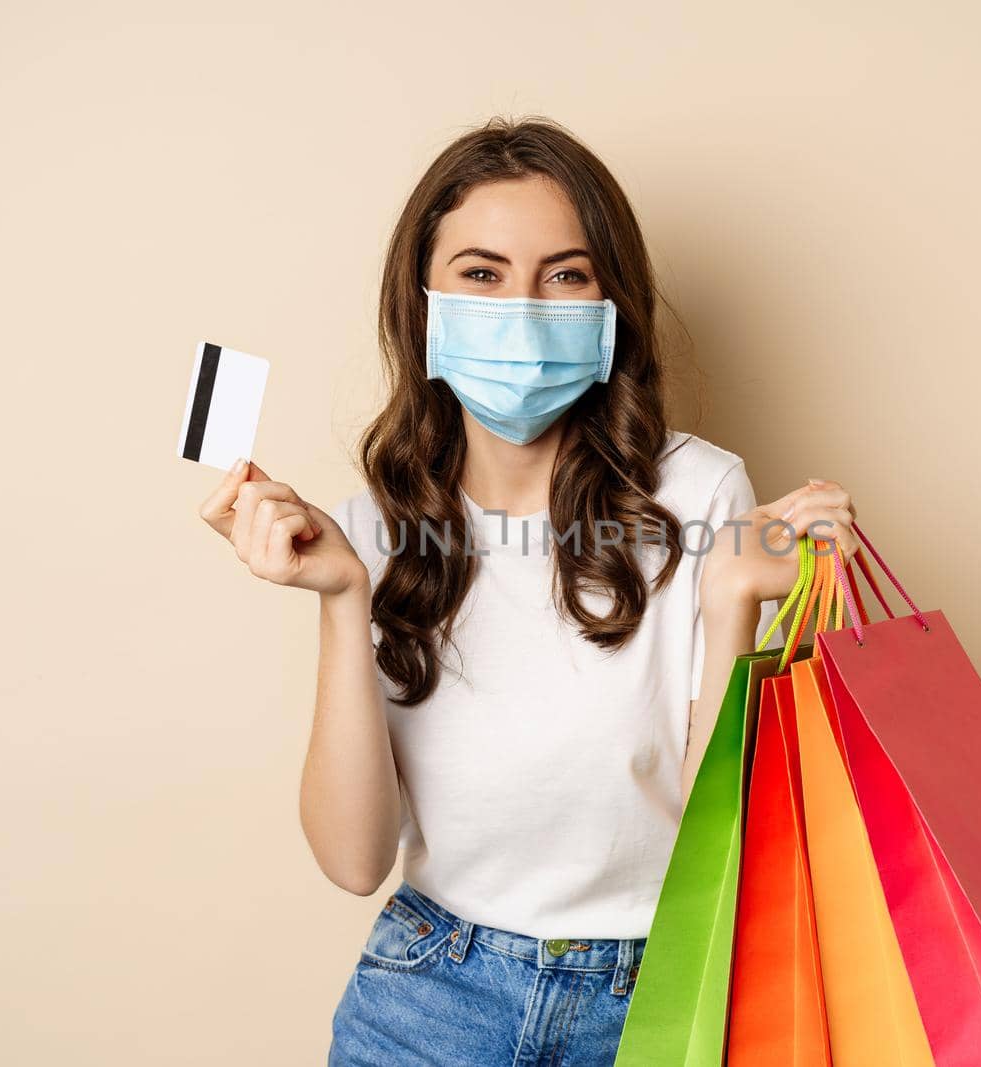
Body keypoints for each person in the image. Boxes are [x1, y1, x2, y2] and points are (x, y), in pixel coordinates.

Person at [196, 115, 860, 1066]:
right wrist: (342, 597)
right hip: (426, 995)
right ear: (423, 301)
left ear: (610, 304)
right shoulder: (373, 528)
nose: (523, 305)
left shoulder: (701, 494)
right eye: (482, 273)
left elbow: (735, 839)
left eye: (565, 274)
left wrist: (733, 606)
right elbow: (353, 861)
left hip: (649, 996)